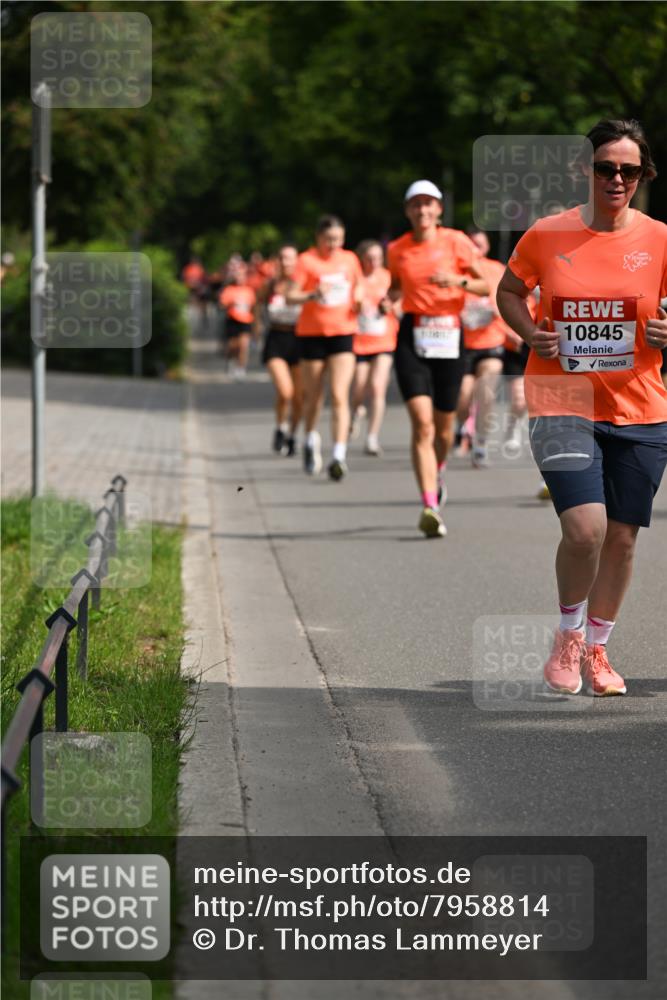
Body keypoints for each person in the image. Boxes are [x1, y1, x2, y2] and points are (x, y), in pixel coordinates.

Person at [496, 118, 667, 696]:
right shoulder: (548, 234)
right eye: (605, 168)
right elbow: (509, 291)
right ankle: (568, 635)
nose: (616, 179)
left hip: (642, 406)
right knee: (586, 529)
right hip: (561, 395)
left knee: (622, 537)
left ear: (643, 176)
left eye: (629, 170)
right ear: (585, 170)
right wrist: (529, 334)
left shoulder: (661, 238)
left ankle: (598, 648)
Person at [387, 180, 489, 537]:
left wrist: (456, 282)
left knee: (444, 429)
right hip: (412, 335)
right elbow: (397, 286)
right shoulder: (397, 249)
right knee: (422, 424)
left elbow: (484, 285)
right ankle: (429, 504)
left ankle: (439, 466)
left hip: (449, 335)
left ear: (439, 210)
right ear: (408, 211)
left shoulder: (457, 241)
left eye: (429, 204)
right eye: (416, 205)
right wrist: (390, 299)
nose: (423, 210)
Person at [287, 215, 362, 480]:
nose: (333, 244)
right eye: (329, 239)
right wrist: (312, 294)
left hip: (343, 332)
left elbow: (359, 287)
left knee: (340, 394)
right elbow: (290, 295)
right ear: (318, 237)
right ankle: (310, 439)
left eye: (338, 239)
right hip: (312, 334)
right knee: (313, 396)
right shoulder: (306, 261)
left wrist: (361, 299)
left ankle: (339, 455)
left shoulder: (349, 259)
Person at [455, 227, 510, 468]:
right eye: (472, 244)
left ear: (487, 246)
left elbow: (507, 300)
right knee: (463, 398)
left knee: (486, 393)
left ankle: (481, 444)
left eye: (480, 243)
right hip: (462, 344)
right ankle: (462, 426)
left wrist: (495, 313)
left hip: (491, 341)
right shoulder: (457, 268)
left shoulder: (497, 269)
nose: (476, 248)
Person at [350, 240, 400, 455]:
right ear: (362, 259)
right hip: (359, 342)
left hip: (384, 341)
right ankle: (355, 412)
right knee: (360, 385)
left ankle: (372, 438)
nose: (374, 263)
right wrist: (358, 305)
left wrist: (390, 307)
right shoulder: (356, 278)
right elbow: (353, 302)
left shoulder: (388, 278)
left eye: (378, 258)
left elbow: (399, 305)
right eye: (369, 258)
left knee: (378, 387)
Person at [259, 243, 303, 456]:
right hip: (276, 338)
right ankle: (280, 427)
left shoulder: (303, 284)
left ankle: (292, 434)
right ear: (277, 261)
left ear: (297, 261)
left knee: (299, 397)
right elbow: (257, 304)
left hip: (300, 339)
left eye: (290, 258)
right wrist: (257, 328)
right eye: (283, 258)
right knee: (286, 391)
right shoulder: (270, 285)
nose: (286, 262)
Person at [219, 260, 256, 378]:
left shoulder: (249, 290)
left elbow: (253, 307)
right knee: (233, 346)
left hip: (246, 321)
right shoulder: (229, 289)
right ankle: (231, 361)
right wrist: (231, 303)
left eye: (242, 275)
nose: (240, 277)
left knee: (244, 345)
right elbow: (222, 304)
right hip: (233, 320)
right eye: (238, 275)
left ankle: (241, 367)